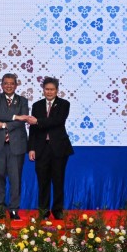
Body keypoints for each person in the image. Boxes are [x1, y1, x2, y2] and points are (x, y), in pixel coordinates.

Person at [0, 73, 34, 219]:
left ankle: (14, 209)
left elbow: (23, 120)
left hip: (16, 145)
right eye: (6, 83)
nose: (8, 86)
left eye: (11, 83)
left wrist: (5, 124)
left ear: (16, 85)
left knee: (15, 179)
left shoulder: (23, 100)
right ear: (1, 85)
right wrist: (15, 116)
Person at [28, 76, 73, 220]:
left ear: (57, 90)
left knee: (58, 180)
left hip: (59, 148)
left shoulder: (64, 104)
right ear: (43, 90)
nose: (49, 92)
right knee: (43, 182)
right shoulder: (37, 105)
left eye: (52, 89)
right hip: (41, 149)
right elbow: (33, 129)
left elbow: (57, 121)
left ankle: (58, 210)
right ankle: (43, 211)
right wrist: (31, 148)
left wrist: (38, 121)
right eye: (47, 89)